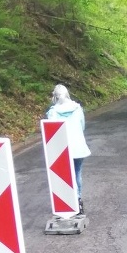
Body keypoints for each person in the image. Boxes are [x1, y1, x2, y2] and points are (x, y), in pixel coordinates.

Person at [45, 84, 91, 214]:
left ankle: (68, 202)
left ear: (55, 96)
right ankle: (78, 200)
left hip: (62, 149)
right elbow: (82, 126)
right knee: (77, 172)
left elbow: (52, 132)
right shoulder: (77, 108)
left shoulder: (53, 112)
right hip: (79, 146)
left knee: (65, 175)